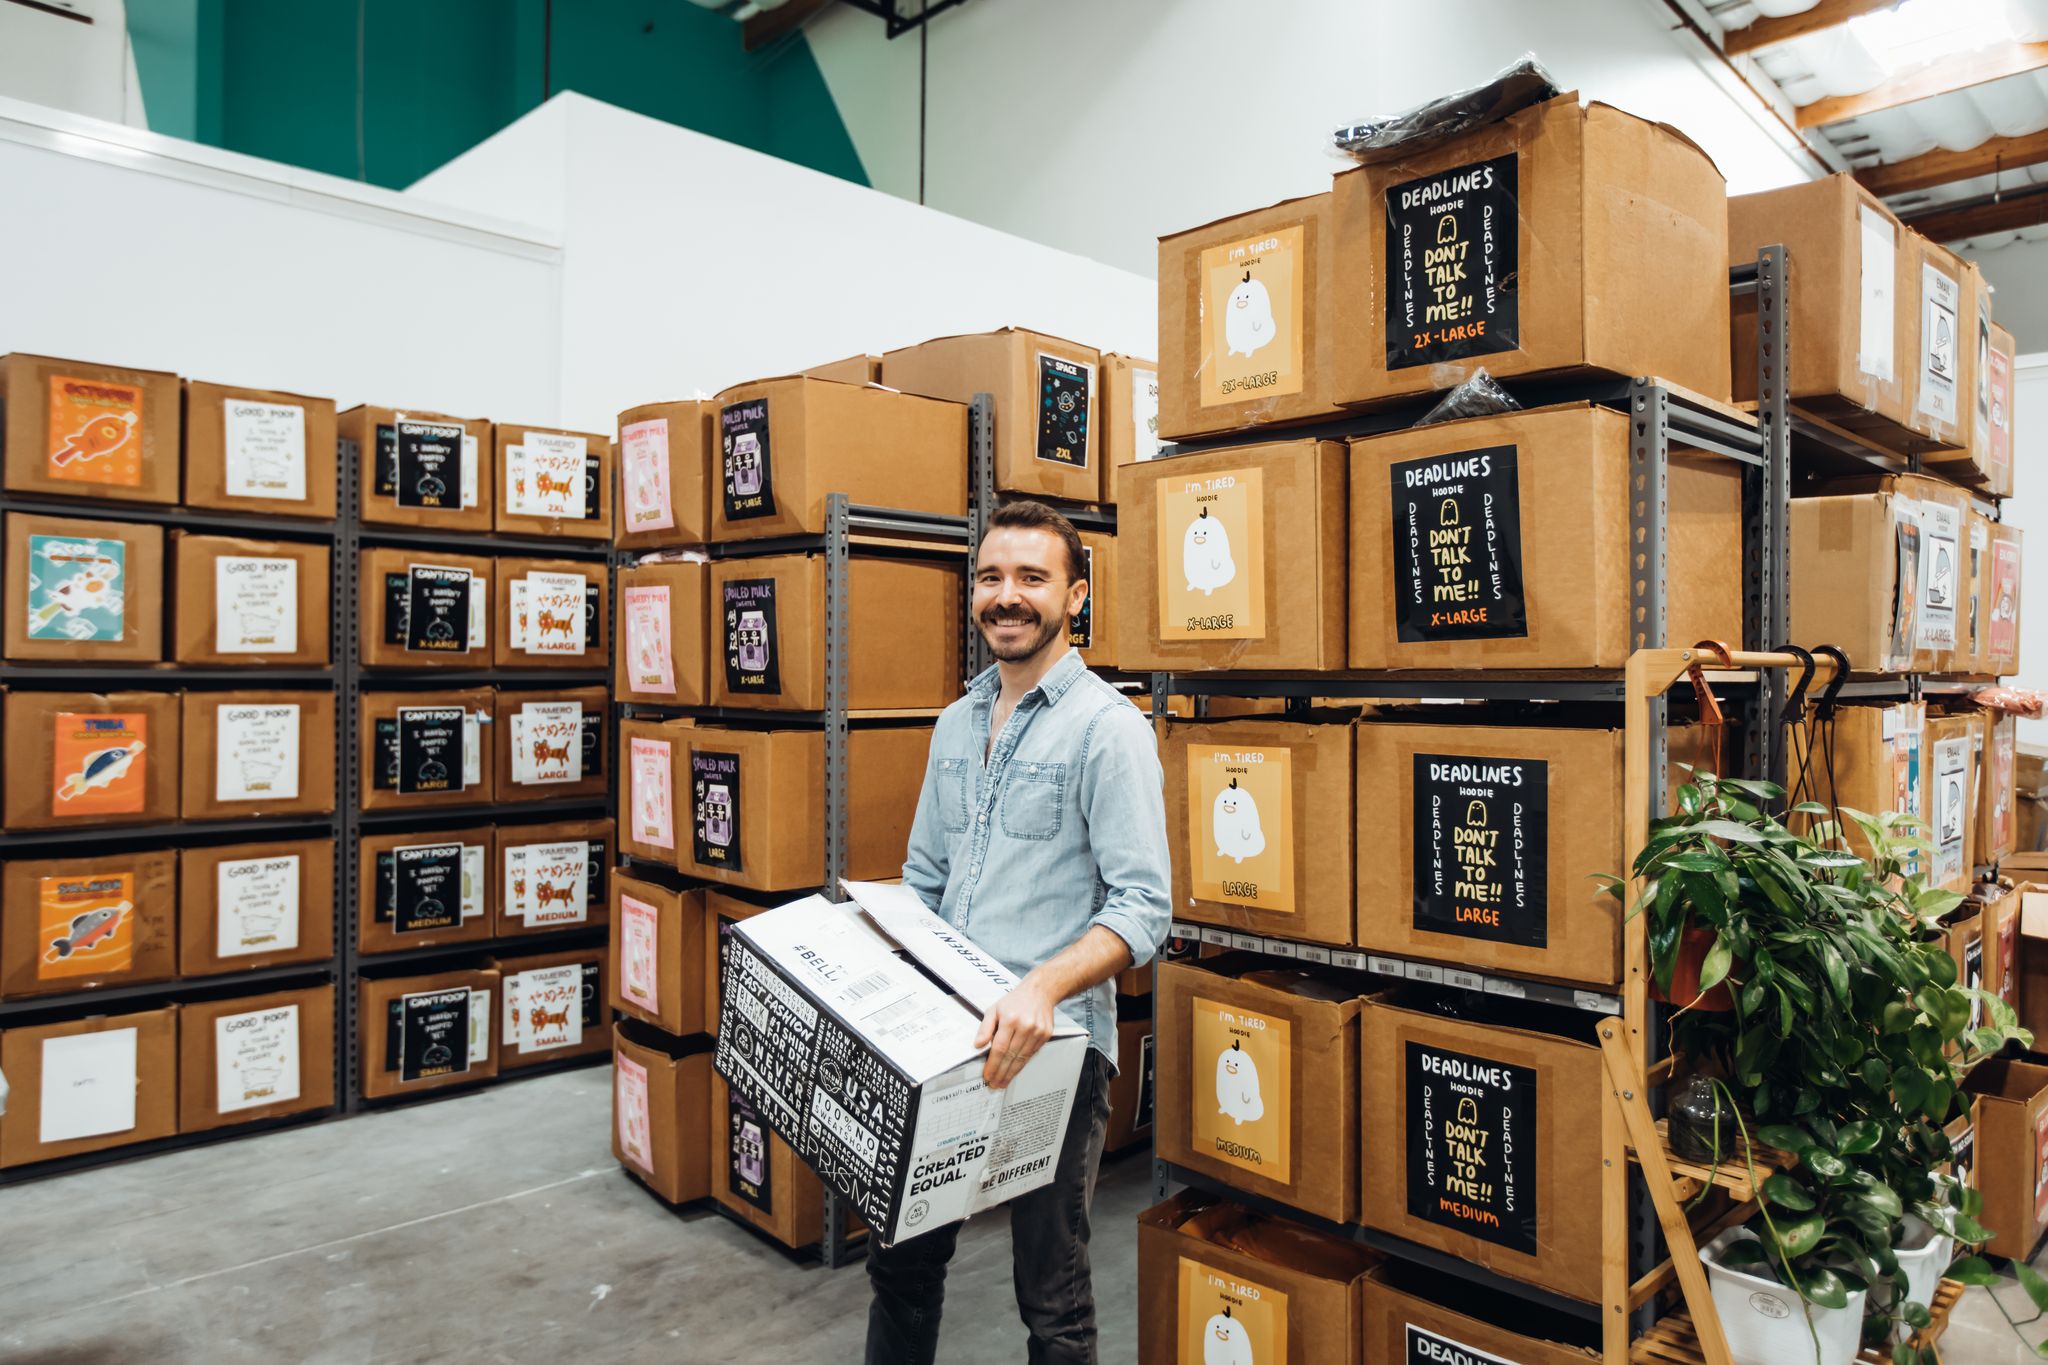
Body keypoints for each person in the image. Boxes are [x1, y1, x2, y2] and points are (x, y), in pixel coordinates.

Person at [866, 497, 1171, 1365]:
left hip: (1054, 1054)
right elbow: (924, 879)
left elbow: (1144, 905)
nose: (1008, 596)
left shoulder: (1109, 730)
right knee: (903, 1269)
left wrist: (1039, 985)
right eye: (992, 577)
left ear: (1076, 594)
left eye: (1032, 578)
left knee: (1053, 1300)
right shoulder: (954, 723)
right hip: (943, 1041)